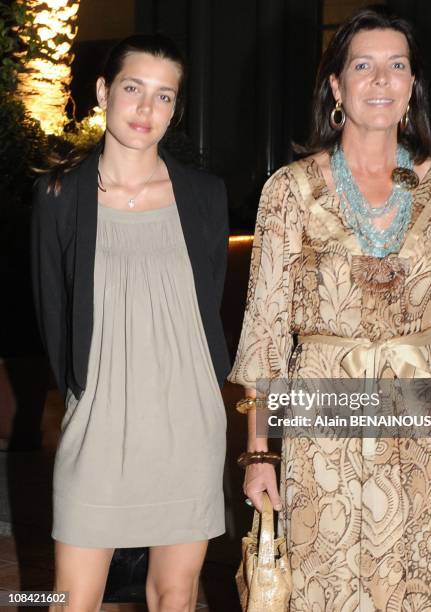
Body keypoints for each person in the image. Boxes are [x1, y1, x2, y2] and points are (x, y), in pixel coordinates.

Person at [228, 6, 431, 611]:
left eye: (397, 66)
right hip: (325, 420)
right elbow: (266, 329)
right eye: (363, 66)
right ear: (337, 88)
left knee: (420, 577)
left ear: (411, 86)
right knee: (327, 580)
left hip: (422, 416)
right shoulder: (289, 189)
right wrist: (259, 453)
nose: (381, 80)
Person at [31, 34, 230, 612]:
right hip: (98, 420)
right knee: (70, 597)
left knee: (175, 594)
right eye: (133, 89)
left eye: (164, 97)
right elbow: (52, 308)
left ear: (176, 108)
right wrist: (82, 392)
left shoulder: (204, 195)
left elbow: (207, 300)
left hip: (186, 420)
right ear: (103, 92)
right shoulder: (59, 194)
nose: (147, 110)